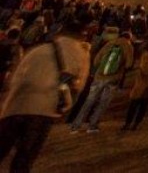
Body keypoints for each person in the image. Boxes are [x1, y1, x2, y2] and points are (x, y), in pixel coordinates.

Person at [0, 16, 88, 172]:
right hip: (43, 110)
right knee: (24, 158)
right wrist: (65, 105)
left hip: (15, 106)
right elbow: (78, 85)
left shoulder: (39, 49)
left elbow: (15, 78)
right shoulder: (80, 54)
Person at [69, 29, 134, 133]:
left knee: (89, 101)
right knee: (103, 102)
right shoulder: (128, 46)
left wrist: (101, 69)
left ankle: (75, 125)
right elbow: (129, 64)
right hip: (113, 78)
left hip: (99, 76)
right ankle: (92, 125)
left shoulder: (110, 43)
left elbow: (97, 60)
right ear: (129, 38)